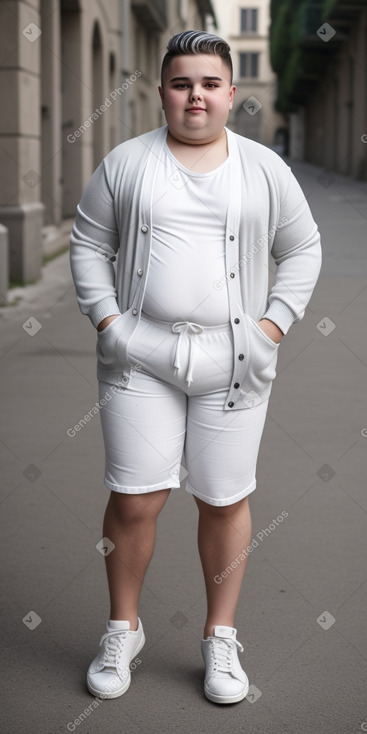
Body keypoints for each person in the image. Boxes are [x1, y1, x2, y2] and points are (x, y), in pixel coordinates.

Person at [69, 30, 322, 705]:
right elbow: (89, 240)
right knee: (135, 496)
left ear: (230, 93)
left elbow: (302, 247)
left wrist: (271, 327)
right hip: (140, 355)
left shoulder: (264, 168)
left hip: (234, 359)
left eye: (209, 83)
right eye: (181, 83)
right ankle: (123, 627)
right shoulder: (126, 162)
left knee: (223, 497)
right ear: (162, 93)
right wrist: (109, 322)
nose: (195, 96)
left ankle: (220, 637)